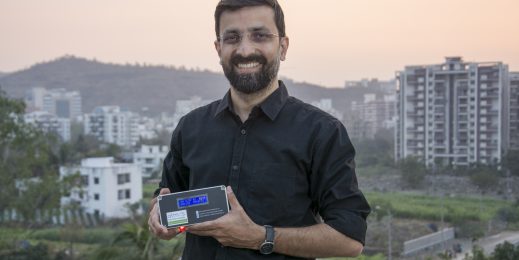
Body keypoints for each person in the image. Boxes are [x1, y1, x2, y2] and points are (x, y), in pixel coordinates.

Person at [147, 0, 371, 259]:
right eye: (232, 38)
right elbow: (164, 200)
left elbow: (349, 239)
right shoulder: (191, 127)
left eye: (260, 36)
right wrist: (159, 217)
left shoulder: (321, 132)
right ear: (219, 49)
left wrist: (261, 237)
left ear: (283, 47)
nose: (245, 49)